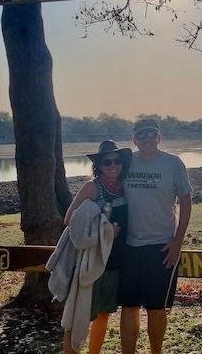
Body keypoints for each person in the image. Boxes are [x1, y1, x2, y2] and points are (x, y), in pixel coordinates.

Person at [120, 118, 192, 354]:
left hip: (162, 247)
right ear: (134, 140)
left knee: (155, 308)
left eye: (151, 134)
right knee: (129, 307)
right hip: (129, 246)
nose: (146, 138)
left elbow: (185, 201)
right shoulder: (127, 162)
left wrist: (177, 242)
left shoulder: (173, 163)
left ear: (159, 138)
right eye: (141, 135)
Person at [61, 140, 133, 354]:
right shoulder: (91, 187)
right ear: (99, 165)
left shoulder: (125, 186)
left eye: (117, 160)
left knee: (103, 314)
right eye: (107, 161)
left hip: (115, 262)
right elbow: (69, 220)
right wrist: (105, 229)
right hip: (91, 261)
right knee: (79, 313)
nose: (113, 165)